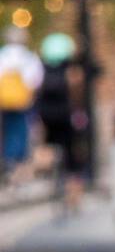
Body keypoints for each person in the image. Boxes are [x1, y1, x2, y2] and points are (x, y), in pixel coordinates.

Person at [36, 32, 86, 210]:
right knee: (73, 154)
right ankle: (73, 194)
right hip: (66, 116)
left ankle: (50, 181)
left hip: (46, 115)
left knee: (49, 146)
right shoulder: (71, 71)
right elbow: (77, 94)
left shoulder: (40, 69)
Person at [0, 27, 44, 183]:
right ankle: (16, 163)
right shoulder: (28, 57)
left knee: (7, 130)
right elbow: (35, 79)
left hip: (4, 102)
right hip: (22, 101)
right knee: (21, 130)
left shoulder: (3, 55)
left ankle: (8, 160)